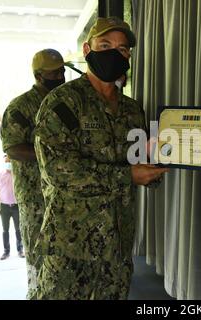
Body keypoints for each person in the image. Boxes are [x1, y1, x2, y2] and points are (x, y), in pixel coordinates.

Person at [34, 17, 168, 300]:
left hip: (117, 247)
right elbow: (59, 170)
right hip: (72, 246)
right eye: (104, 45)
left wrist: (158, 161)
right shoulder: (63, 103)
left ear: (128, 56)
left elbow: (138, 161)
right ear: (87, 49)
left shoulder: (132, 110)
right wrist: (127, 176)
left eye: (121, 49)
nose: (113, 53)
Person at [0, 49, 66, 299]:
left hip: (65, 195)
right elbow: (13, 148)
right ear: (39, 75)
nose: (60, 76)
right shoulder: (20, 107)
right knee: (39, 261)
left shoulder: (66, 102)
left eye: (62, 71)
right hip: (36, 198)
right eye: (54, 72)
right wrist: (49, 155)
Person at [0, 154, 25, 260]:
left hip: (16, 206)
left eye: (9, 162)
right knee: (5, 230)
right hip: (4, 207)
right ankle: (6, 252)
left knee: (18, 229)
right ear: (4, 163)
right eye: (6, 162)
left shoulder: (17, 174)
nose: (8, 164)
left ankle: (20, 250)